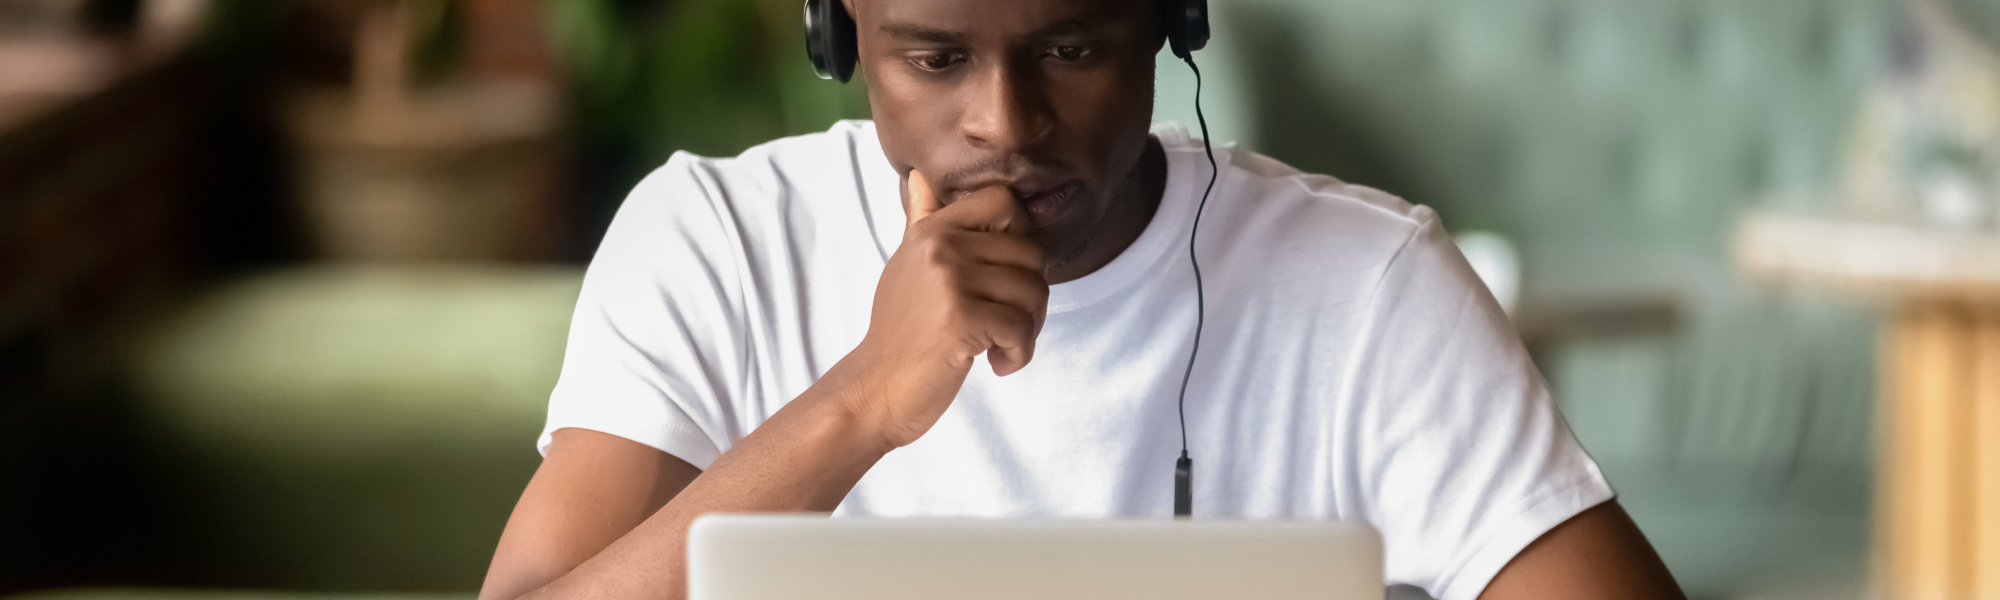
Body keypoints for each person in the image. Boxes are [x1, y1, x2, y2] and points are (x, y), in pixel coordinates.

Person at [478, 0, 1686, 598]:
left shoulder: (1361, 286)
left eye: (1069, 49)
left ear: (1169, 23)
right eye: (935, 57)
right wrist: (860, 404)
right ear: (837, 31)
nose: (1005, 125)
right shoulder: (716, 240)